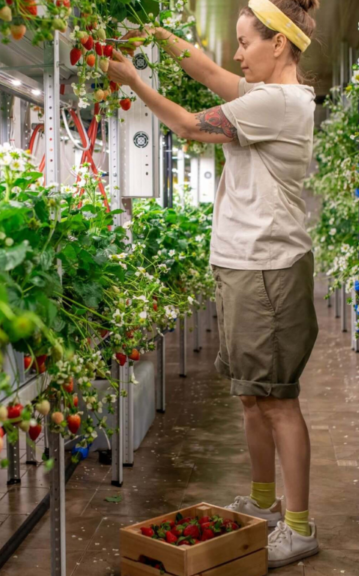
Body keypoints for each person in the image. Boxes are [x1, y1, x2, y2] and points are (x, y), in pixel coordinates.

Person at [105, 0, 320, 568]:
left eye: (246, 42)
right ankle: (264, 501)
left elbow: (188, 125)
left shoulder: (279, 102)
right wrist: (155, 31)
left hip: (268, 271)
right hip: (243, 265)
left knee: (277, 401)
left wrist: (134, 81)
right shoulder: (260, 95)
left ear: (279, 45)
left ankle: (298, 526)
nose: (236, 53)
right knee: (252, 397)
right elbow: (206, 70)